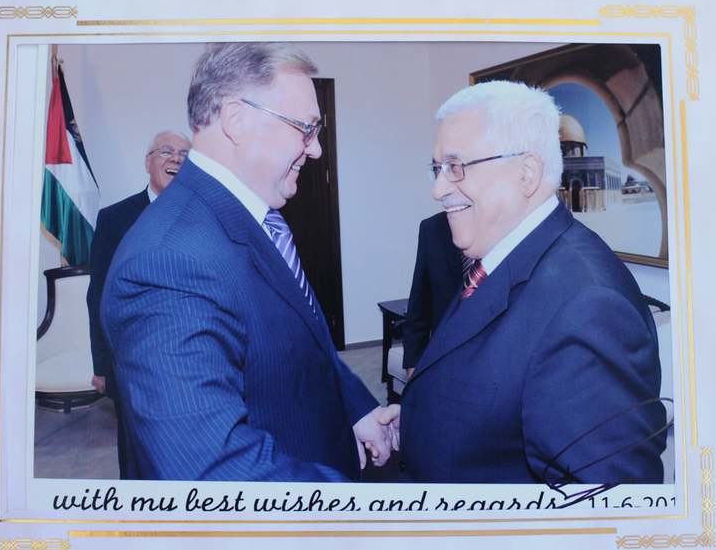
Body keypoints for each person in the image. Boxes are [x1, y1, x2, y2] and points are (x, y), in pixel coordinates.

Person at [101, 43, 395, 482]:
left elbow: (302, 343)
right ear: (236, 119)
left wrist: (357, 408)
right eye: (305, 128)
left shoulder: (254, 217)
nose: (316, 149)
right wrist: (362, 505)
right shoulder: (167, 263)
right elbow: (212, 471)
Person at [399, 80, 667, 484]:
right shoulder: (496, 256)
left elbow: (607, 507)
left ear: (526, 174)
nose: (438, 189)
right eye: (438, 168)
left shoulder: (590, 307)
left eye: (456, 167)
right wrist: (418, 421)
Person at [86, 130, 191, 478]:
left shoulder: (203, 215)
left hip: (190, 359)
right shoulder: (114, 218)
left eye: (184, 155)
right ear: (148, 162)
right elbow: (98, 294)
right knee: (136, 458)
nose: (176, 159)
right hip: (131, 362)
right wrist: (102, 364)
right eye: (166, 152)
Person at [402, 212, 462, 376]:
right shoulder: (433, 228)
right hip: (443, 359)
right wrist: (413, 362)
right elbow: (419, 301)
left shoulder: (509, 224)